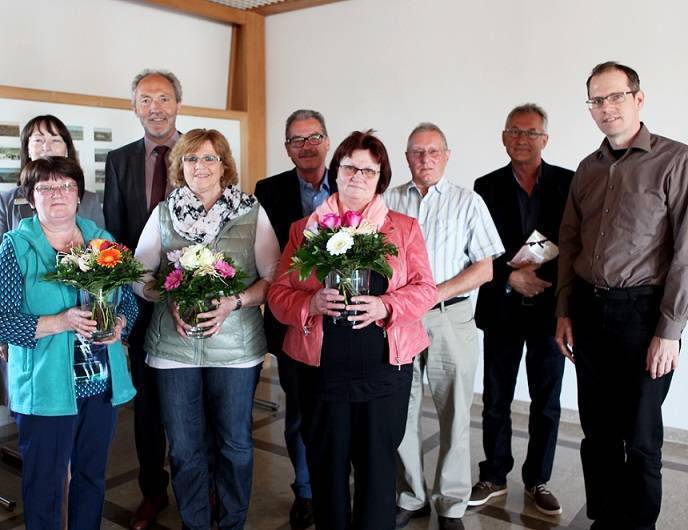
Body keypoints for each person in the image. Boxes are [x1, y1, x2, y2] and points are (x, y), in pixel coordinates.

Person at [268, 130, 437, 530]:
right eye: (349, 167)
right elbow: (278, 295)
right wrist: (309, 303)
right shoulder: (304, 229)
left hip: (384, 371)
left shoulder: (404, 228)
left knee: (378, 470)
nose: (358, 176)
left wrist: (385, 305)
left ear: (381, 177)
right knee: (327, 469)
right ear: (336, 172)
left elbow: (425, 290)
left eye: (368, 169)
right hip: (320, 372)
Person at [555, 61, 687, 530]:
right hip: (589, 311)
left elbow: (686, 253)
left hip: (644, 315)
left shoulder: (676, 160)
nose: (606, 108)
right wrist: (565, 310)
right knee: (599, 432)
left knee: (642, 434)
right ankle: (605, 519)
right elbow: (570, 242)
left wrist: (668, 332)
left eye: (615, 97)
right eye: (596, 100)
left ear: (638, 98)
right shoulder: (587, 170)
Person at [133, 128, 280, 530]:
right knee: (184, 448)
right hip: (172, 349)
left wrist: (235, 301)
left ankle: (232, 523)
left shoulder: (251, 211)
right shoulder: (163, 213)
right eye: (192, 158)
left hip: (237, 349)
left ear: (224, 165)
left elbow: (273, 276)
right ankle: (195, 524)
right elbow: (138, 275)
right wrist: (168, 296)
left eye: (210, 158)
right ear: (181, 165)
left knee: (235, 445)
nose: (201, 166)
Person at [0, 156, 137, 529]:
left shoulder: (102, 241)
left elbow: (128, 301)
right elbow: (2, 322)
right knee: (44, 486)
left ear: (79, 195)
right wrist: (59, 322)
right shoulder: (15, 247)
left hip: (98, 385)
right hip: (45, 389)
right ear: (31, 197)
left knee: (92, 478)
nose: (56, 193)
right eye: (45, 187)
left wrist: (121, 323)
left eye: (65, 186)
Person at [387, 123, 504, 530]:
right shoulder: (388, 201)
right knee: (400, 411)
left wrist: (433, 292)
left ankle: (451, 503)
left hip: (450, 316)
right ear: (406, 158)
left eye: (433, 151)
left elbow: (485, 268)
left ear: (447, 155)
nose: (425, 159)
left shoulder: (468, 202)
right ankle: (411, 495)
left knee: (454, 413)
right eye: (417, 152)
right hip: (400, 318)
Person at [471, 104, 572, 515]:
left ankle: (538, 479)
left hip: (550, 308)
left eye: (531, 133)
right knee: (496, 397)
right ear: (503, 137)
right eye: (514, 131)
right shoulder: (486, 186)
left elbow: (578, 243)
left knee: (547, 401)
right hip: (503, 307)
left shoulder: (569, 183)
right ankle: (494, 475)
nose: (522, 139)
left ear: (544, 140)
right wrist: (508, 277)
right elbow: (474, 248)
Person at [104, 68, 183, 529]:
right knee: (148, 405)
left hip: (197, 294)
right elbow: (114, 234)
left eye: (164, 98)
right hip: (141, 299)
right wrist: (125, 300)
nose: (155, 107)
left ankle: (203, 484)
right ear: (135, 108)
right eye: (146, 99)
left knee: (200, 402)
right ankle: (154, 491)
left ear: (177, 104)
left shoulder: (200, 152)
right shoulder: (120, 160)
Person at [254, 109, 337, 529]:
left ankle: (337, 486)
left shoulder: (352, 180)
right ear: (287, 148)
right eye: (296, 140)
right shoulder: (268, 191)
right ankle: (305, 491)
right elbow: (267, 263)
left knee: (342, 408)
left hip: (346, 321)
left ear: (327, 141)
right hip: (293, 320)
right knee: (301, 411)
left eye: (314, 137)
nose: (306, 146)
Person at [0, 114, 104, 235]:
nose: (46, 147)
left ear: (67, 150)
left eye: (55, 140)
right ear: (28, 150)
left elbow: (102, 247)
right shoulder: (6, 201)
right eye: (38, 140)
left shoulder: (90, 200)